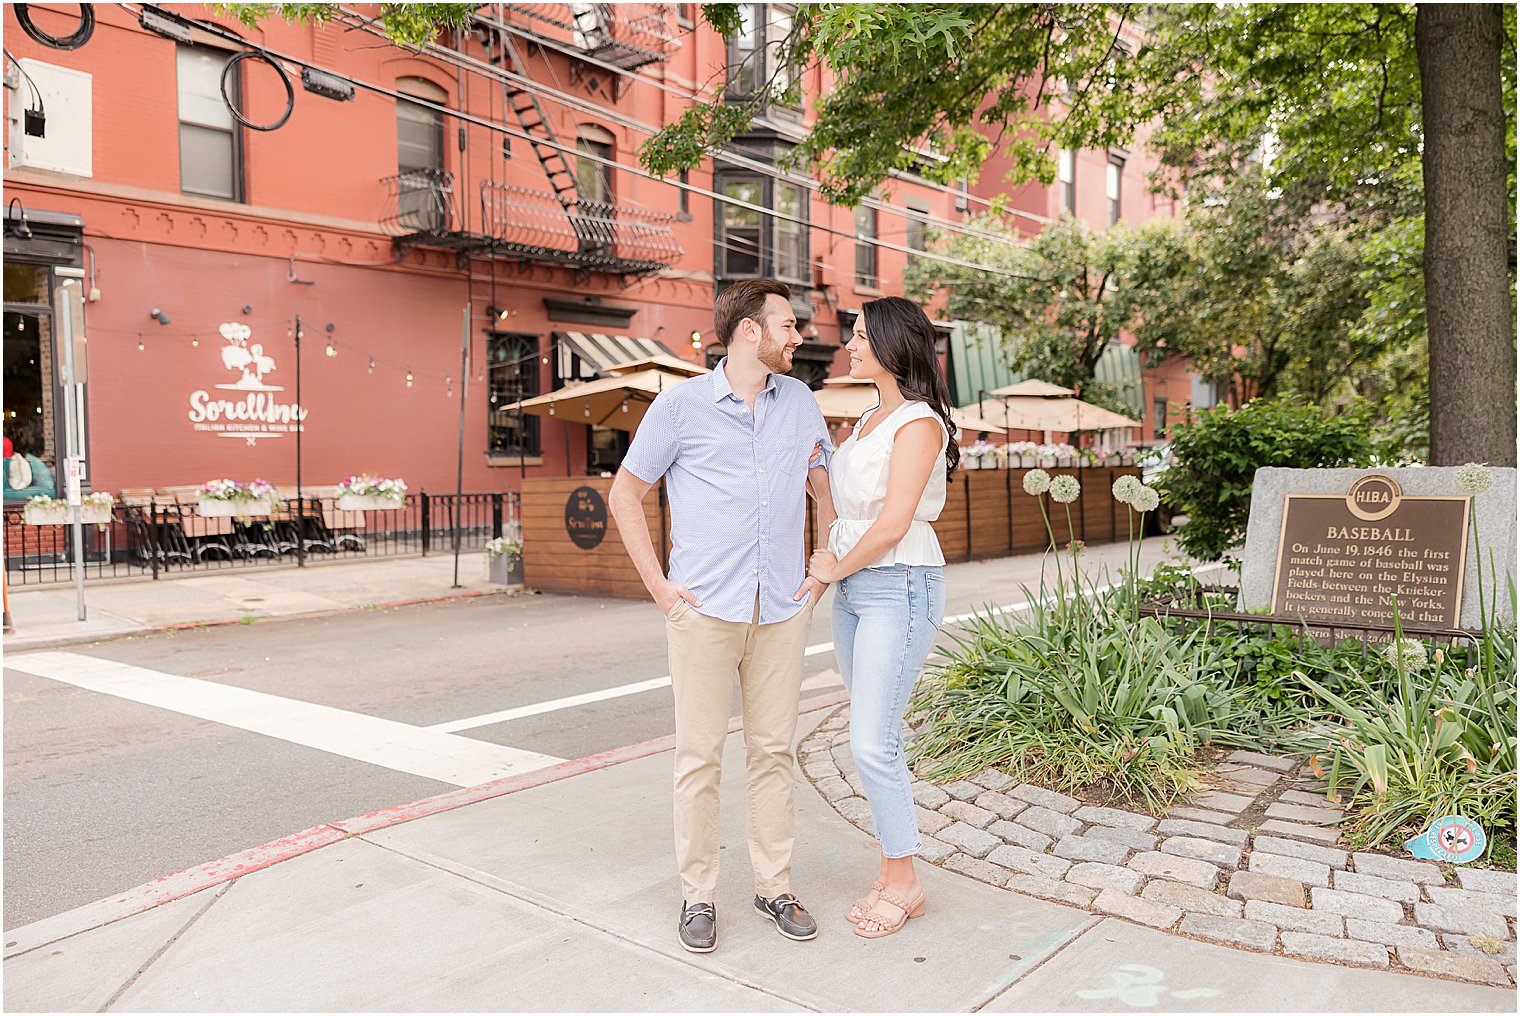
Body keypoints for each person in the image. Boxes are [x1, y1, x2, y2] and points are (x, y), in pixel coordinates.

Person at [609, 279, 837, 954]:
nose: (798, 337)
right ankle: (699, 894)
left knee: (771, 751)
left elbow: (823, 485)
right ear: (748, 331)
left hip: (780, 610)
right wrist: (661, 588)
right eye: (788, 325)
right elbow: (626, 496)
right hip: (705, 610)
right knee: (699, 757)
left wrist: (820, 562)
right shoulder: (679, 407)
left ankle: (774, 885)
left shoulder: (799, 402)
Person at [806, 296, 958, 939]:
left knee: (873, 740)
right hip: (857, 589)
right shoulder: (868, 417)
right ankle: (895, 868)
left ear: (895, 345)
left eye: (862, 336)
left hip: (900, 584)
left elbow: (895, 523)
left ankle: (905, 881)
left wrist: (829, 570)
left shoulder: (918, 423)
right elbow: (844, 506)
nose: (851, 345)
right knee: (870, 736)